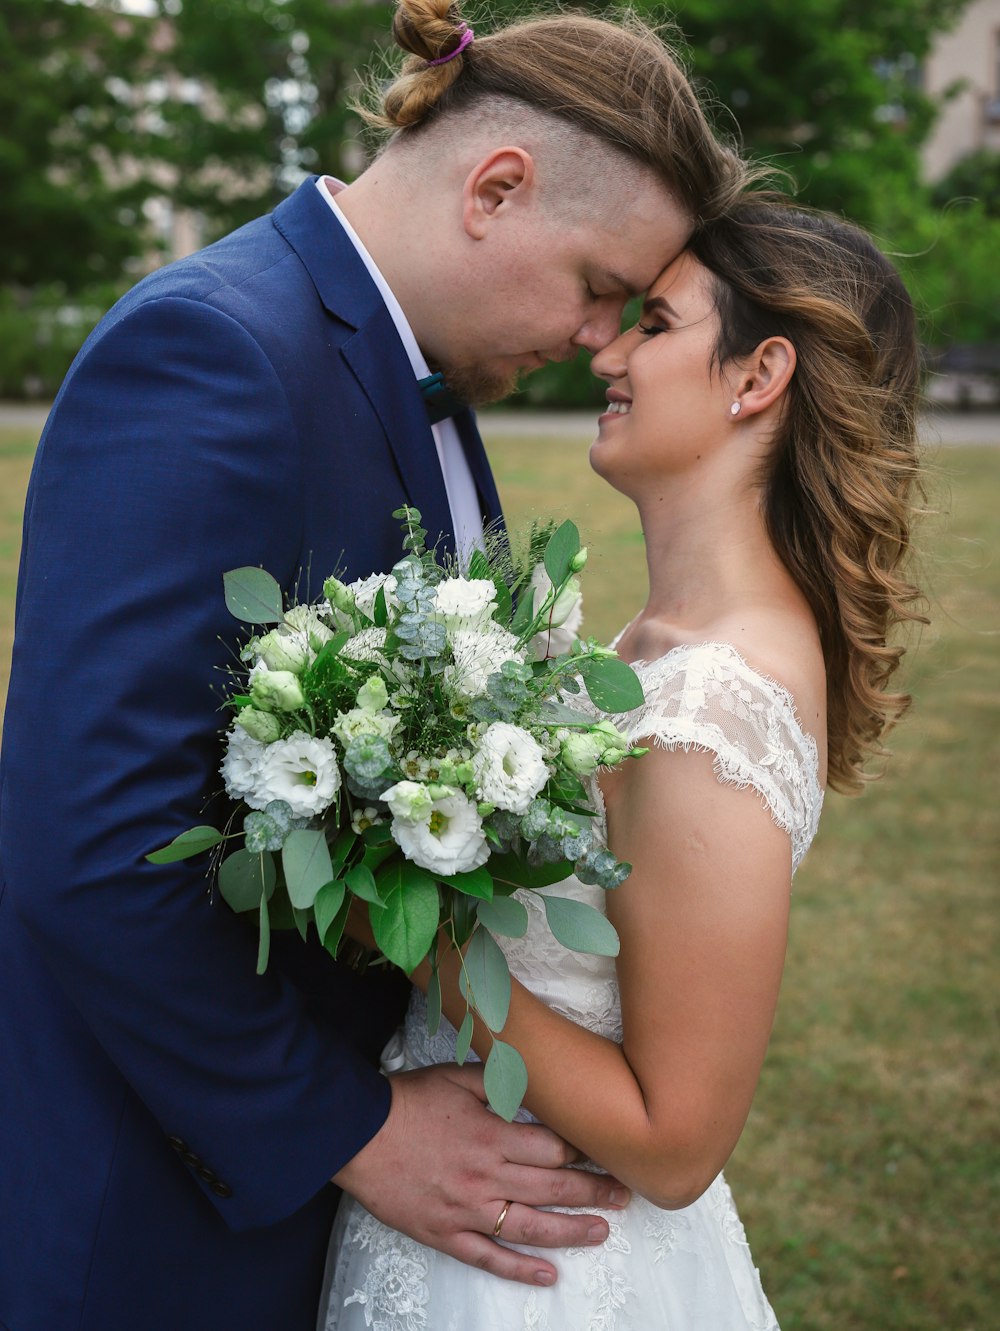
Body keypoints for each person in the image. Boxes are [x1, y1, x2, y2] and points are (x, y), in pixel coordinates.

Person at [0, 3, 750, 1329]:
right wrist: (354, 1129)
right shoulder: (214, 351)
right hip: (164, 1219)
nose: (595, 338)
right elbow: (90, 839)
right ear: (497, 187)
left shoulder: (433, 384)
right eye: (594, 284)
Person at [319, 197, 926, 1328]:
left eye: (653, 322)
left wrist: (408, 928)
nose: (604, 346)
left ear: (758, 375)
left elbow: (674, 1140)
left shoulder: (711, 710)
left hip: (559, 1272)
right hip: (475, 1225)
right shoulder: (650, 649)